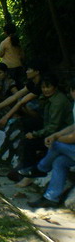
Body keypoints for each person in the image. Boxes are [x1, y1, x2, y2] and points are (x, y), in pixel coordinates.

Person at [17, 78, 75, 208]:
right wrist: (55, 135)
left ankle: (39, 169)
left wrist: (55, 138)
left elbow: (72, 137)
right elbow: (73, 126)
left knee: (55, 145)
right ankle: (51, 197)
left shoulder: (61, 101)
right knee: (60, 162)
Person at [13, 73, 73, 174]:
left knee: (30, 143)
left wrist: (35, 134)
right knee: (28, 123)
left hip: (59, 133)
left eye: (48, 87)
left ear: (54, 87)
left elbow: (54, 127)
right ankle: (29, 160)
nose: (45, 90)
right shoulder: (47, 98)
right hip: (50, 127)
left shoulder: (58, 102)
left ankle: (30, 170)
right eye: (43, 87)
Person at [0, 59, 45, 128]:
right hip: (35, 107)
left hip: (45, 111)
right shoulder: (32, 83)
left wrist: (6, 117)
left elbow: (21, 101)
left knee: (25, 104)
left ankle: (39, 122)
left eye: (29, 70)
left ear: (37, 72)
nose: (26, 72)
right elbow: (15, 96)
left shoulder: (42, 84)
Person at [0, 23, 25, 88]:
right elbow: (22, 54)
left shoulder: (4, 42)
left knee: (12, 85)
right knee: (20, 84)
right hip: (19, 65)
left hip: (9, 67)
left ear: (5, 32)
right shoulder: (17, 41)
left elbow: (0, 54)